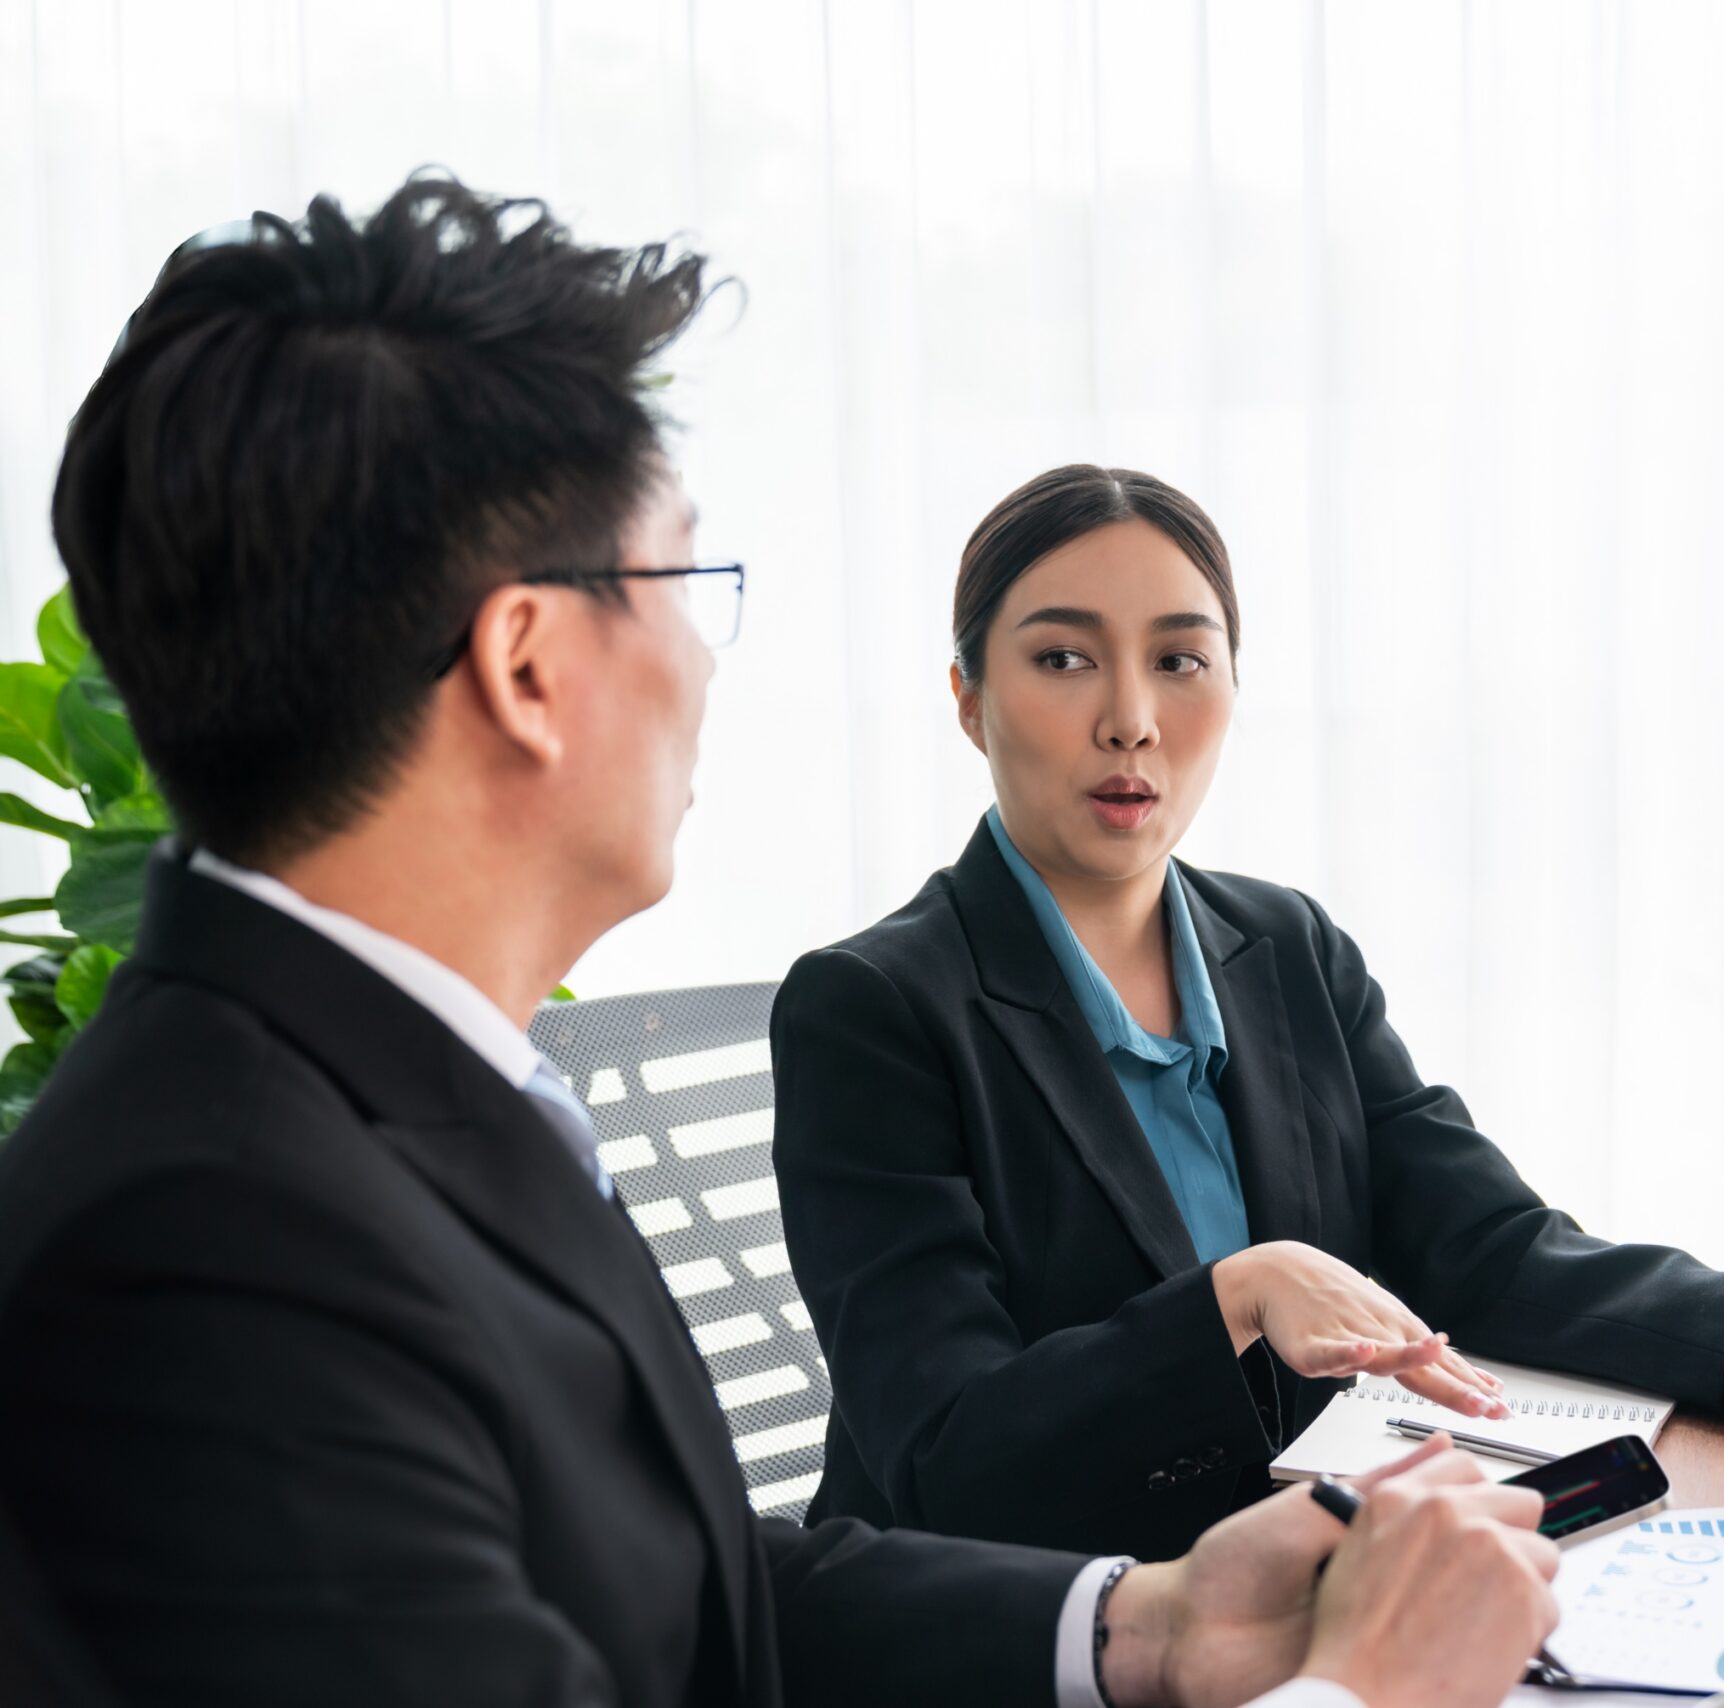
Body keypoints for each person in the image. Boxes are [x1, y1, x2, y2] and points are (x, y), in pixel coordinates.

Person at [0, 180, 1562, 1708]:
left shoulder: (414, 1095)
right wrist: (1364, 1691)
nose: (702, 659)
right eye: (685, 580)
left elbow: (678, 1584)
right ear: (528, 666)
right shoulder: (209, 1252)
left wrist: (1146, 1629)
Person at [770, 465, 1724, 1564]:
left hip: (1310, 1579)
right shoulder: (870, 1011)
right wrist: (1240, 1291)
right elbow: (947, 1458)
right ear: (969, 699)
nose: (1130, 718)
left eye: (1180, 660)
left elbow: (1489, 1252)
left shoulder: (1285, 950)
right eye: (1065, 660)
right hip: (1038, 1624)